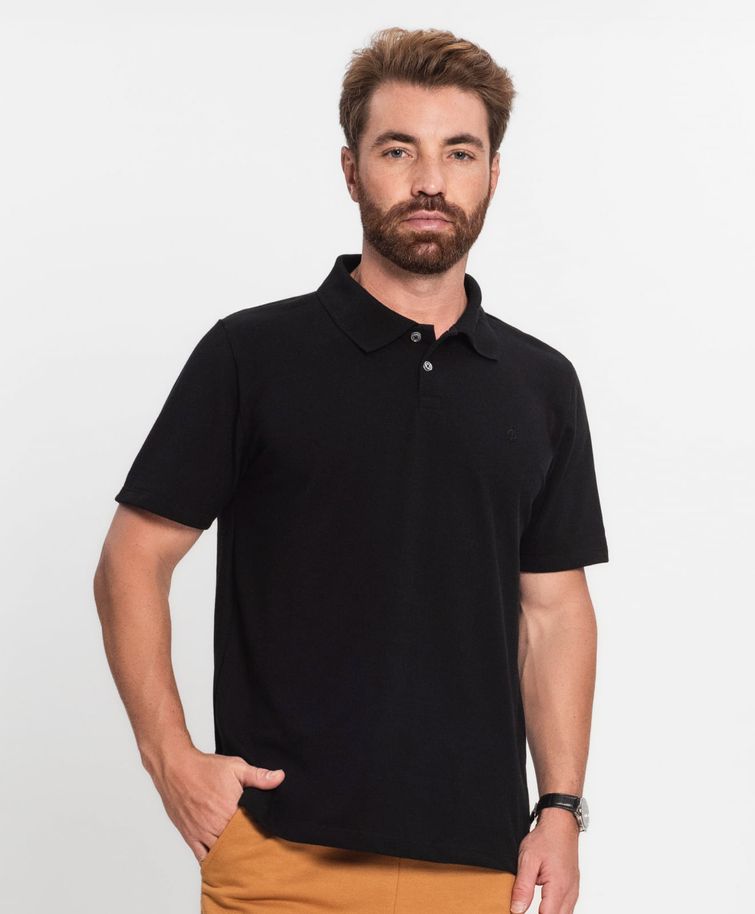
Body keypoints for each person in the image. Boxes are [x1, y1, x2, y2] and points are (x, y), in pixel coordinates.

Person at [94, 25, 609, 914]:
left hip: (478, 868)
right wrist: (170, 759)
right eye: (398, 150)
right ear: (350, 169)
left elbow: (554, 610)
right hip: (282, 858)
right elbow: (131, 559)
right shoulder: (253, 356)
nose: (430, 181)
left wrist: (560, 810)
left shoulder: (540, 384)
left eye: (459, 152)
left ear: (493, 173)